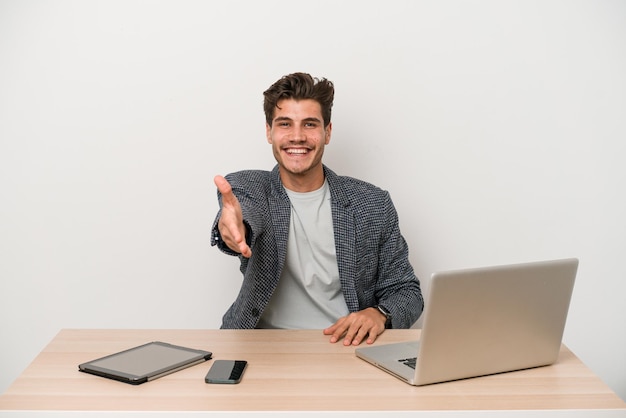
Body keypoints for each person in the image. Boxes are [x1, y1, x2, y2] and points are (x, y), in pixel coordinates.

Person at [211, 72, 423, 346]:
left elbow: (407, 291)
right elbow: (238, 217)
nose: (297, 137)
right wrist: (232, 230)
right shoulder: (247, 187)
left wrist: (379, 313)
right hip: (260, 348)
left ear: (327, 132)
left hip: (346, 346)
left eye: (309, 124)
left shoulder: (372, 203)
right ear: (269, 132)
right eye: (285, 124)